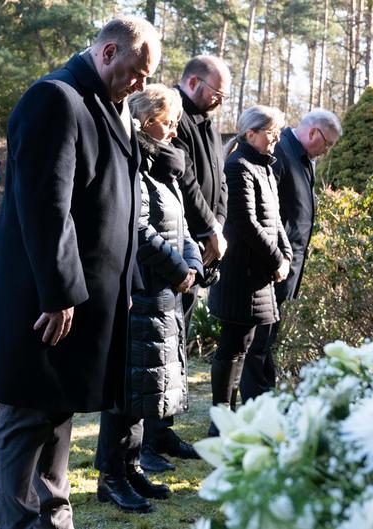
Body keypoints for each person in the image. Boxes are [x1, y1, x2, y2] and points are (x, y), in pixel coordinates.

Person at [0, 16, 160, 526]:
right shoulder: (55, 98)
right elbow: (46, 206)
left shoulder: (108, 105)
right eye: (139, 72)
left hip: (82, 300)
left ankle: (53, 516)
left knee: (57, 411)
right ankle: (24, 520)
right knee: (28, 414)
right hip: (46, 299)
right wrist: (59, 292)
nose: (142, 84)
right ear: (110, 52)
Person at [95, 84, 203, 513]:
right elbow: (138, 231)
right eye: (168, 122)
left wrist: (191, 265)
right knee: (127, 392)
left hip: (164, 294)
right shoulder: (134, 166)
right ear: (143, 119)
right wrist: (179, 269)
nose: (174, 132)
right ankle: (111, 475)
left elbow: (185, 228)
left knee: (145, 390)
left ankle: (132, 465)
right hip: (140, 292)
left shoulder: (161, 168)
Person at [135, 54, 232, 472]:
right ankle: (145, 441)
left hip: (195, 247)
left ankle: (163, 429)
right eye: (217, 92)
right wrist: (209, 230)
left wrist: (218, 227)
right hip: (175, 248)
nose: (221, 100)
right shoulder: (174, 117)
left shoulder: (206, 124)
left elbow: (219, 179)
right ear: (194, 83)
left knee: (175, 342)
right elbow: (186, 180)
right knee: (154, 347)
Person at [240, 109, 342, 402]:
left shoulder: (302, 158)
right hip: (272, 264)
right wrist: (277, 258)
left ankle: (265, 397)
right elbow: (265, 212)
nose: (326, 151)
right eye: (327, 143)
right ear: (314, 133)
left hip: (288, 264)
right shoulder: (281, 152)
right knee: (258, 339)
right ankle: (254, 403)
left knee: (268, 338)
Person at [207, 105, 291, 435]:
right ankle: (220, 421)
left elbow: (275, 221)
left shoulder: (265, 168)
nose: (277, 139)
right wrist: (276, 261)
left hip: (261, 276)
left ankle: (235, 418)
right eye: (273, 133)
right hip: (241, 275)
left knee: (248, 347)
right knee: (233, 346)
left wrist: (285, 256)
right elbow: (246, 223)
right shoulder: (238, 166)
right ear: (251, 134)